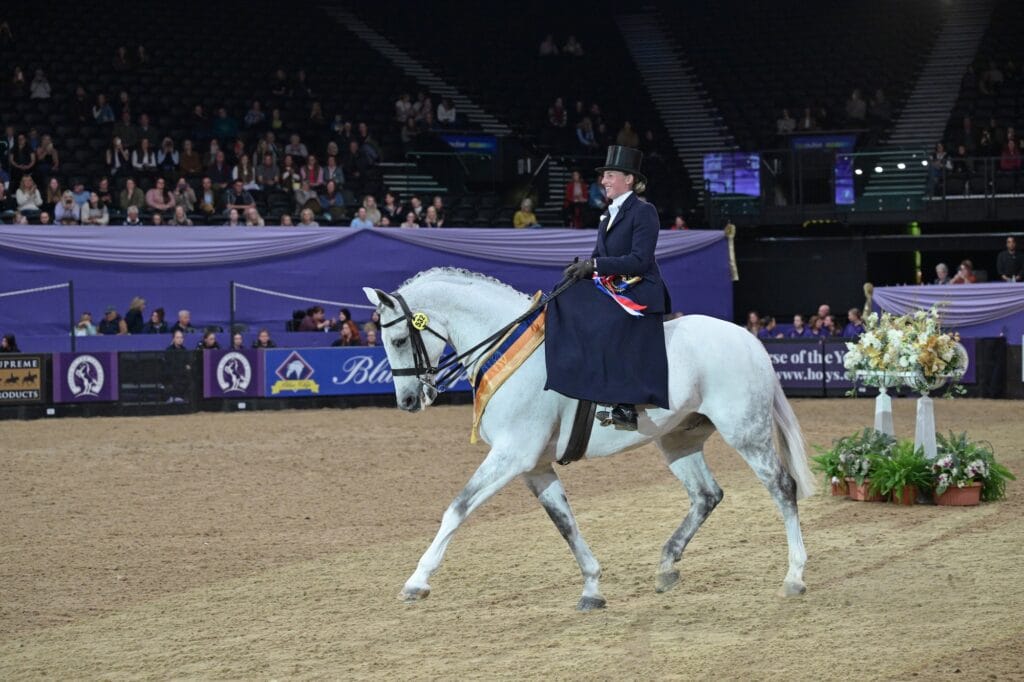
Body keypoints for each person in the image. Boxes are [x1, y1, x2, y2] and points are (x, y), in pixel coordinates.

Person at [545, 145, 670, 431]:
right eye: (604, 176)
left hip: (640, 289)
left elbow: (639, 261)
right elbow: (598, 256)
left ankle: (625, 404)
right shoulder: (607, 215)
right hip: (616, 286)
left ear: (628, 179)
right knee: (565, 296)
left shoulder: (644, 212)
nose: (604, 181)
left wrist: (594, 265)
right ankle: (582, 383)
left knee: (605, 319)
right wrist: (580, 272)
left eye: (610, 175)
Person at [162, 330, 193, 403]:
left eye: (181, 337)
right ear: (173, 339)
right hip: (171, 376)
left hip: (183, 376)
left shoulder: (185, 350)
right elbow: (169, 365)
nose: (180, 339)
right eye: (178, 337)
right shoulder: (169, 350)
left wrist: (186, 367)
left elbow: (188, 364)